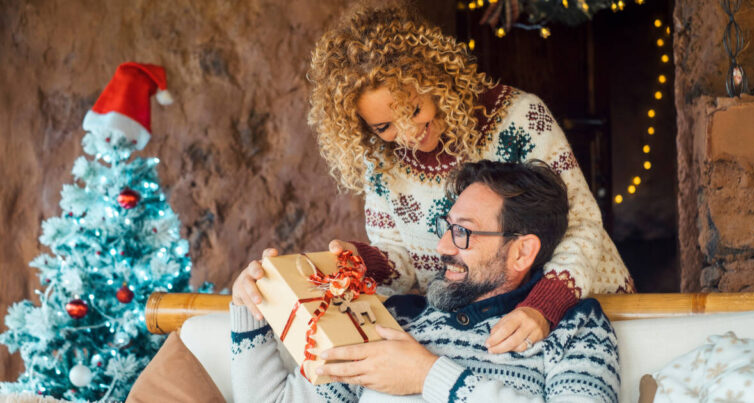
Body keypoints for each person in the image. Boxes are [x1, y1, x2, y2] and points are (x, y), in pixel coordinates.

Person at [233, 1, 632, 356]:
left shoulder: (520, 117)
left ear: (434, 78)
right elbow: (403, 261)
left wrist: (543, 306)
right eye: (385, 125)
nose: (406, 134)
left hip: (581, 309)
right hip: (480, 329)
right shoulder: (382, 161)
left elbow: (580, 225)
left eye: (413, 109)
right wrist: (360, 262)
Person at [230, 160, 620, 402]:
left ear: (521, 252)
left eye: (463, 233)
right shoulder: (394, 317)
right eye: (445, 227)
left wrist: (428, 375)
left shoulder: (576, 327)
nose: (442, 245)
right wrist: (251, 309)